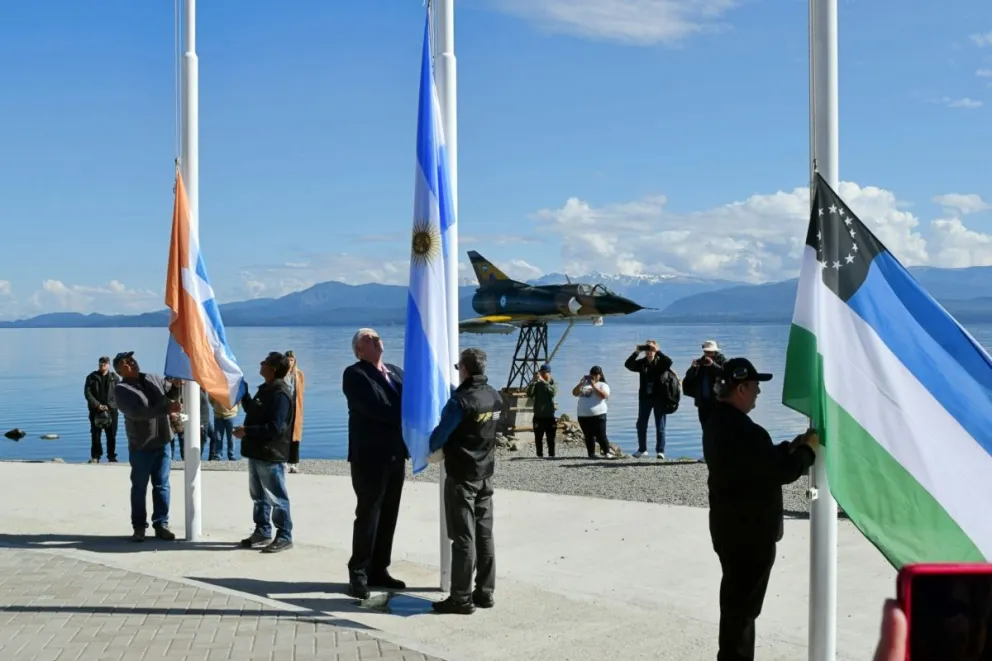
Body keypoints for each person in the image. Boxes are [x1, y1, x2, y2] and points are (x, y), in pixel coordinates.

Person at [703, 357, 817, 661]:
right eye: (754, 386)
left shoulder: (719, 421)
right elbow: (777, 472)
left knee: (736, 607)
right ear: (740, 388)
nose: (757, 393)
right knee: (742, 610)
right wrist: (807, 452)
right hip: (749, 535)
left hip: (731, 530)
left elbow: (757, 462)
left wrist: (788, 448)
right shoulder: (742, 430)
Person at [428, 347, 502, 614]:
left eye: (459, 368)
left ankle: (460, 597)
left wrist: (430, 444)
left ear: (466, 369)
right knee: (484, 535)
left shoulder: (461, 401)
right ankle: (485, 592)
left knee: (463, 537)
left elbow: (439, 437)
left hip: (462, 475)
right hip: (486, 473)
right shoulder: (494, 396)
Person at [341, 328, 407, 599]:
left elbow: (414, 397)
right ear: (359, 350)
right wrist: (409, 415)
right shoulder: (355, 374)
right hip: (370, 455)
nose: (376, 339)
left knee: (389, 514)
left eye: (377, 336)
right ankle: (359, 571)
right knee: (369, 513)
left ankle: (380, 568)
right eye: (368, 338)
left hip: (396, 453)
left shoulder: (395, 371)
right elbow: (378, 408)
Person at [112, 351, 180, 543]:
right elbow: (137, 413)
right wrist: (166, 409)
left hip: (164, 440)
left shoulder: (152, 378)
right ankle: (139, 527)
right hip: (141, 445)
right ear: (120, 370)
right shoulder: (121, 389)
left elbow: (170, 393)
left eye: (133, 360)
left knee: (162, 485)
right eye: (128, 362)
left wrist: (175, 388)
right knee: (139, 487)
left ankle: (161, 524)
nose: (133, 363)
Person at [234, 351, 296, 554]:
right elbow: (254, 411)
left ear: (272, 369)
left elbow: (275, 428)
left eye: (265, 362)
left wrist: (247, 432)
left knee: (277, 497)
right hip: (256, 452)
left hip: (270, 454)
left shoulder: (280, 394)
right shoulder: (266, 389)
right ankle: (262, 530)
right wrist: (245, 396)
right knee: (258, 496)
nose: (260, 363)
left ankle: (284, 536)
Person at [624, 339, 676, 459]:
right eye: (647, 349)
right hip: (645, 398)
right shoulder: (642, 363)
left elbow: (669, 362)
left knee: (660, 425)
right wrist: (636, 352)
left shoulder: (661, 362)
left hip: (660, 398)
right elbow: (628, 365)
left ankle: (660, 451)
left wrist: (657, 351)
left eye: (651, 349)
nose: (649, 352)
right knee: (641, 424)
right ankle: (642, 449)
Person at [84, 356, 120, 463]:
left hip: (111, 411)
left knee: (111, 435)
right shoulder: (91, 377)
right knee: (95, 435)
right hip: (96, 411)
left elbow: (120, 394)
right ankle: (96, 456)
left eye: (105, 363)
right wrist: (97, 405)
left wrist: (109, 405)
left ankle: (111, 456)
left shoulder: (115, 378)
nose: (102, 365)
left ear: (109, 365)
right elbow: (87, 393)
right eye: (101, 363)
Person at [681, 340, 727, 426]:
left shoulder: (722, 361)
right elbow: (689, 377)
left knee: (718, 428)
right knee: (705, 427)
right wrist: (693, 367)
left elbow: (724, 373)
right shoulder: (701, 362)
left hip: (717, 401)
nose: (708, 354)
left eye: (710, 352)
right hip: (702, 402)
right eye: (706, 352)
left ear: (715, 352)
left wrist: (712, 364)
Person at [571, 365, 612, 459]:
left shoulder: (603, 385)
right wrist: (580, 383)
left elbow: (604, 395)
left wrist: (594, 385)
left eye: (596, 374)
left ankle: (607, 453)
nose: (593, 376)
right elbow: (574, 393)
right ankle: (591, 454)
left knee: (601, 435)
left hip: (598, 415)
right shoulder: (584, 385)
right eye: (592, 374)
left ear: (600, 375)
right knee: (588, 436)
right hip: (583, 415)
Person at [525, 363, 558, 458]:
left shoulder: (553, 383)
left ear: (549, 373)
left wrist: (544, 382)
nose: (542, 375)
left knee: (551, 438)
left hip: (550, 416)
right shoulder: (537, 384)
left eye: (544, 373)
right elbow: (529, 394)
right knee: (538, 438)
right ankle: (539, 454)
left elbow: (554, 392)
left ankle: (552, 455)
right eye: (541, 373)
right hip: (538, 416)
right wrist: (533, 382)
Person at [284, 350, 305, 473]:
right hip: (284, 409)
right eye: (287, 359)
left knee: (295, 437)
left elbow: (300, 394)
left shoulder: (299, 375)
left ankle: (293, 462)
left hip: (296, 408)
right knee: (284, 435)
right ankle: (283, 461)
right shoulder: (280, 374)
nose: (289, 362)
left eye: (291, 359)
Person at [211, 396, 238, 461]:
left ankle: (231, 455)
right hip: (218, 415)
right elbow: (211, 399)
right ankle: (218, 455)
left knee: (231, 437)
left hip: (231, 415)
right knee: (218, 437)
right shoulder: (215, 387)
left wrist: (233, 409)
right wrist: (216, 407)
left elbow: (238, 399)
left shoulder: (232, 387)